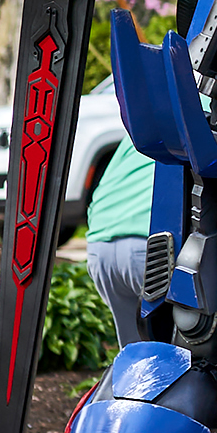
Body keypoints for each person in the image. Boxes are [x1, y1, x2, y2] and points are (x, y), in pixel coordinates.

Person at [82, 134, 154, 346]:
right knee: (177, 356)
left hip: (99, 243)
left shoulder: (143, 119)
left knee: (134, 357)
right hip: (151, 244)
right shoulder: (212, 108)